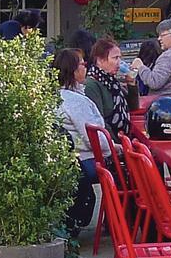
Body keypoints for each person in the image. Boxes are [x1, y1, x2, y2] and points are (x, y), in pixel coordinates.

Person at [52, 49, 105, 232]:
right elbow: (94, 139)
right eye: (83, 64)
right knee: (131, 170)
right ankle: (124, 225)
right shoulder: (76, 102)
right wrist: (114, 147)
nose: (86, 67)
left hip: (68, 161)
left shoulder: (53, 97)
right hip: (85, 160)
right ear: (74, 70)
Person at [84, 37, 132, 137]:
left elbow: (133, 108)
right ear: (100, 60)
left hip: (123, 137)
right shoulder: (92, 84)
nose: (119, 62)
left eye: (120, 58)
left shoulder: (113, 83)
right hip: (111, 141)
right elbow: (99, 120)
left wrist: (132, 84)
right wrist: (115, 142)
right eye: (115, 58)